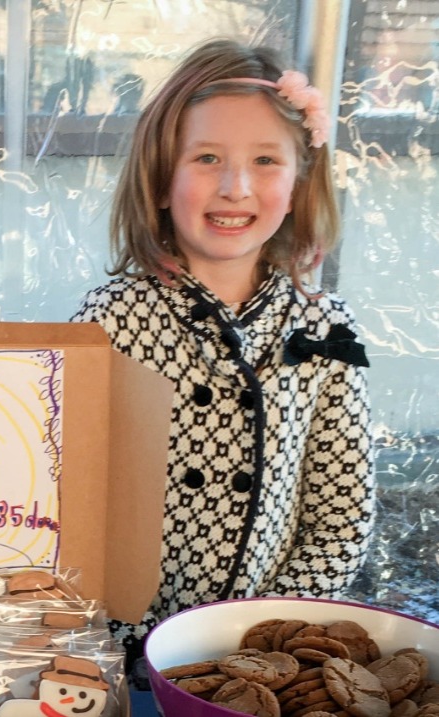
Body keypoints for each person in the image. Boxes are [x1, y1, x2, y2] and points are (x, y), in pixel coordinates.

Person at [71, 39, 375, 677]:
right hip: (123, 657)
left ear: (297, 185)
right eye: (207, 158)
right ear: (161, 181)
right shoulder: (110, 321)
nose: (236, 187)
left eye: (265, 160)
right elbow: (70, 496)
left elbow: (341, 514)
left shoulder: (323, 327)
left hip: (260, 659)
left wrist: (267, 637)